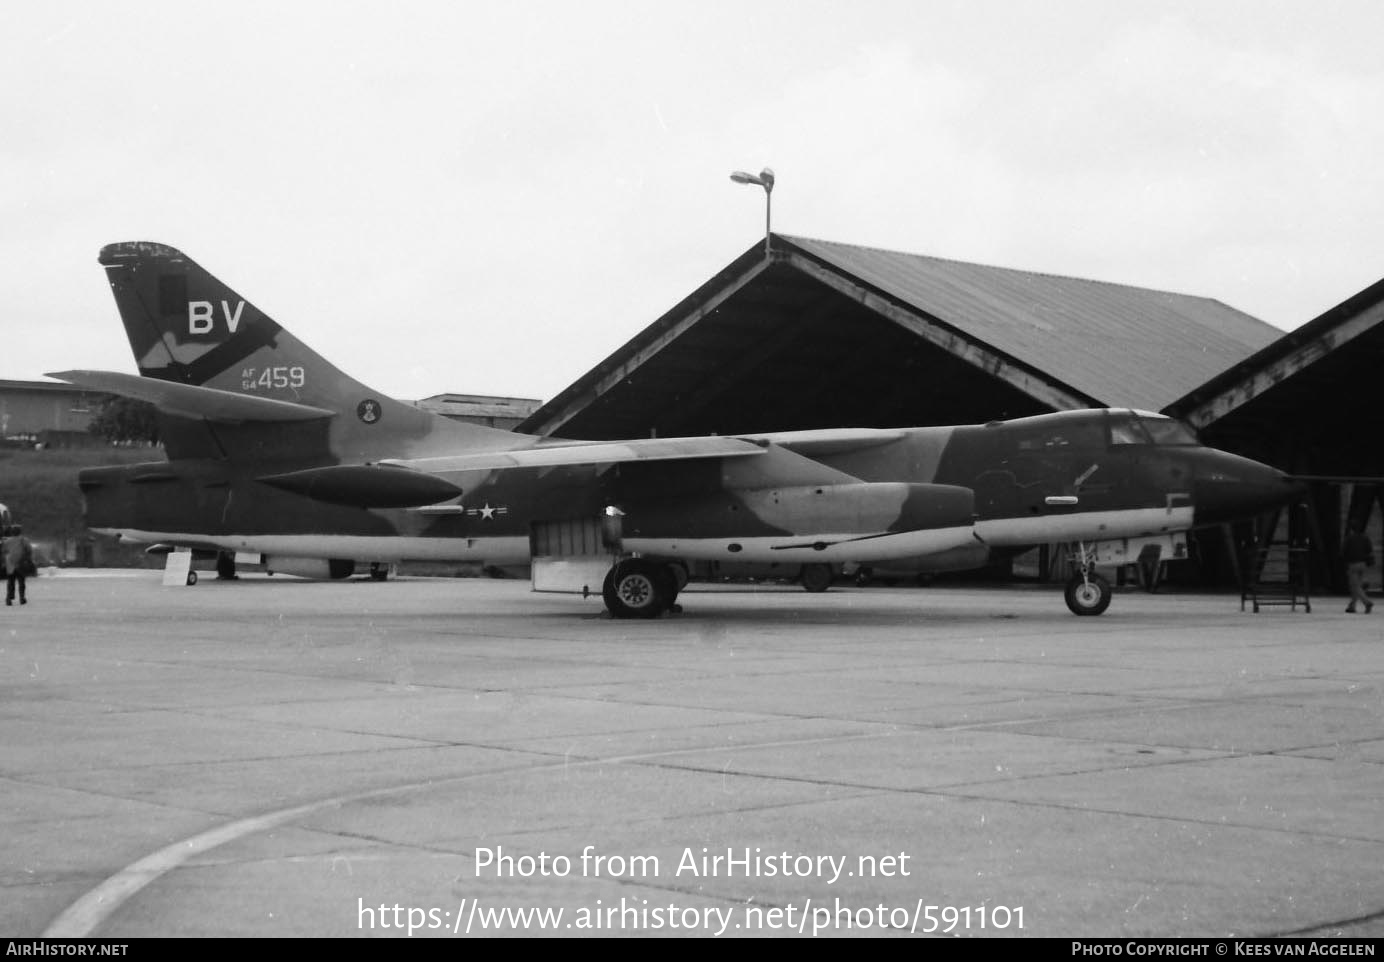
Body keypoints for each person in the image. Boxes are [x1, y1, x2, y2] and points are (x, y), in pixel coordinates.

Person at [1342, 521, 1374, 614]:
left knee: (1355, 587)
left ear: (1352, 529)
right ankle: (1352, 606)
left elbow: (1344, 552)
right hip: (1363, 564)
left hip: (1353, 564)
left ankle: (1367, 602)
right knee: (1357, 586)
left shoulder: (1349, 539)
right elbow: (1369, 550)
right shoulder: (1365, 538)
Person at [2, 524, 35, 606]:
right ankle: (22, 598)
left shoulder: (7, 541)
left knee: (11, 582)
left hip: (10, 564)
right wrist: (29, 559)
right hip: (21, 563)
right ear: (20, 531)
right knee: (21, 582)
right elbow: (29, 550)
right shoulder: (24, 540)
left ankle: (9, 598)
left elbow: (3, 551)